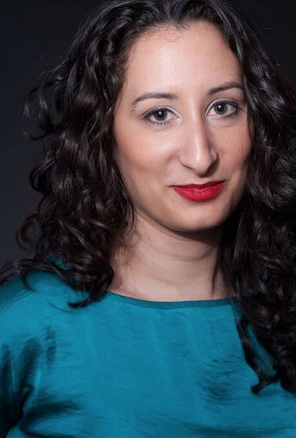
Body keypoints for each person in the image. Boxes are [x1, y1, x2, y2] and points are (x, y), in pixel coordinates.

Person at [0, 0, 296, 436]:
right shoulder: (27, 325)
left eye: (223, 107)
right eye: (160, 114)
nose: (201, 155)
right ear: (103, 135)